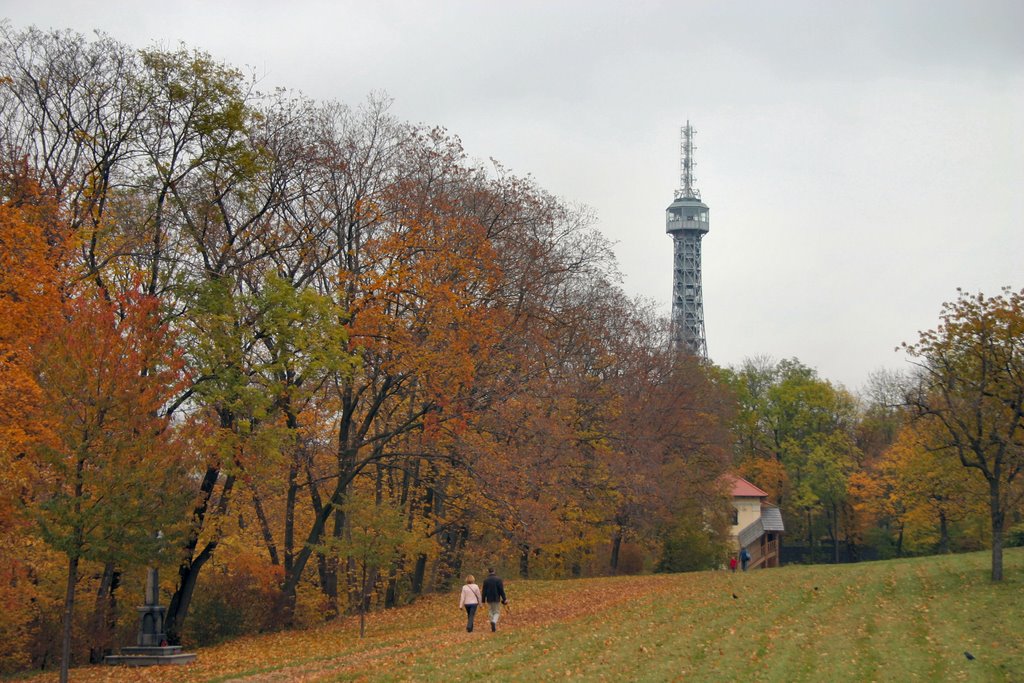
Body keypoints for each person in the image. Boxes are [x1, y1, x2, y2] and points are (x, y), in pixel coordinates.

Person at [481, 567, 507, 632]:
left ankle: (492, 623)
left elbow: (484, 591)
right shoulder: (498, 579)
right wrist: (504, 598)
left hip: (489, 598)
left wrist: (483, 600)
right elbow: (501, 590)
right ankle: (494, 622)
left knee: (490, 611)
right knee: (497, 612)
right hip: (496, 597)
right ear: (494, 571)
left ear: (488, 572)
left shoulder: (486, 580)